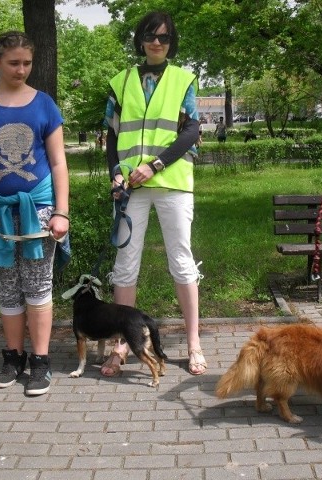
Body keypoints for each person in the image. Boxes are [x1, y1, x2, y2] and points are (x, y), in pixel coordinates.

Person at [0, 31, 70, 396]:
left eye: (27, 63)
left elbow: (58, 163)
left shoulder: (44, 105)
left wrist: (62, 213)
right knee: (7, 288)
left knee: (38, 286)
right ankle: (14, 357)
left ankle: (40, 362)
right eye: (13, 63)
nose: (21, 70)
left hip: (39, 208)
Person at [102, 11, 206, 376]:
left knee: (181, 260)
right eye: (150, 36)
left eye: (163, 37)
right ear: (140, 39)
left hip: (172, 182)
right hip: (131, 186)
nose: (156, 42)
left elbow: (191, 132)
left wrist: (155, 165)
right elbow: (112, 137)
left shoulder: (184, 79)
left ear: (172, 41)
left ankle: (193, 342)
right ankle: (121, 344)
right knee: (125, 266)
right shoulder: (121, 81)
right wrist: (116, 174)